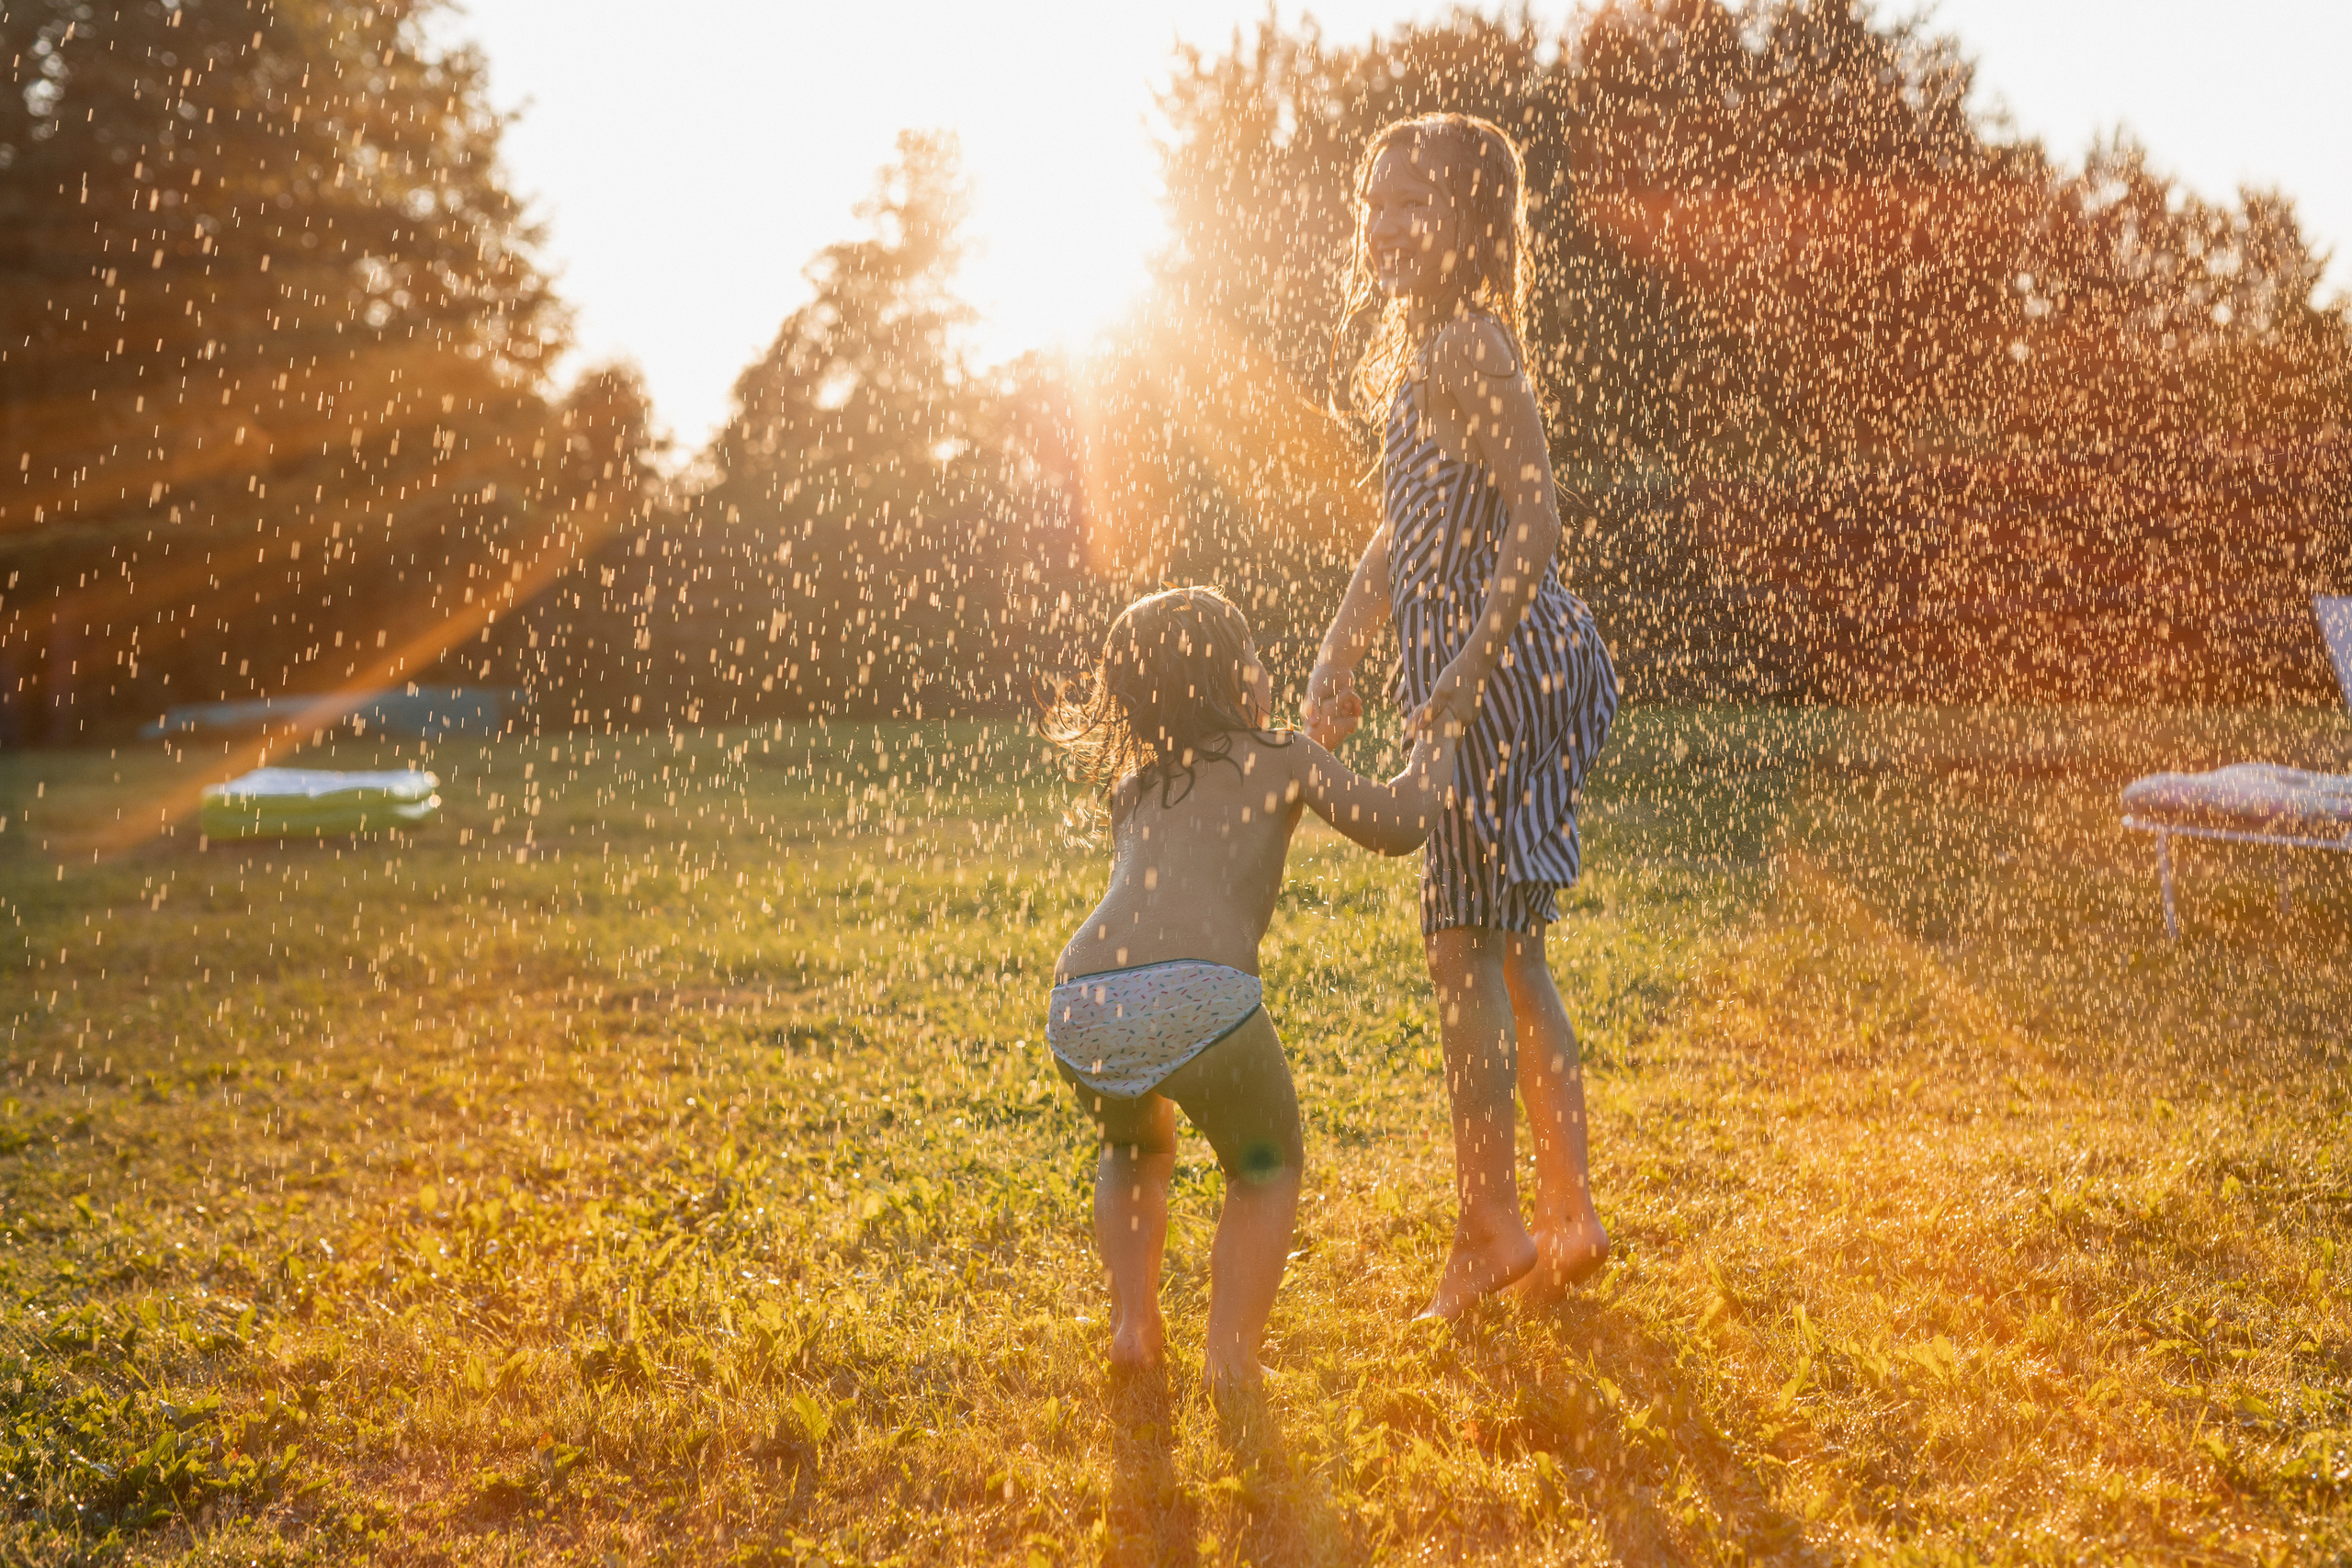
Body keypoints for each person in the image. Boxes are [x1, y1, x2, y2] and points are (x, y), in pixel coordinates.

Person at [1303, 113, 1620, 1320]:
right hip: (1506, 673)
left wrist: (1464, 673)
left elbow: (1537, 526)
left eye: (1410, 202)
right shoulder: (1435, 353)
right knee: (1507, 947)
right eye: (1373, 200)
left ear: (1469, 223)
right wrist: (1340, 657)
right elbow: (1399, 533)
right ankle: (1567, 1213)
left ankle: (1493, 1224)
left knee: (1460, 949)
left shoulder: (1468, 350)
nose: (1382, 223)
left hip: (1500, 675)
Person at [1043, 585, 1459, 1393]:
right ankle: (1230, 1358)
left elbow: (1232, 826)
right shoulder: (1282, 756)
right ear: (1237, 680)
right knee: (1265, 1166)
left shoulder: (1136, 786)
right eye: (1258, 658)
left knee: (1132, 1149)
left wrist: (1312, 742)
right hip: (1202, 994)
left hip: (1085, 1002)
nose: (1269, 670)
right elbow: (1400, 823)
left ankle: (1134, 1324)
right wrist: (1434, 742)